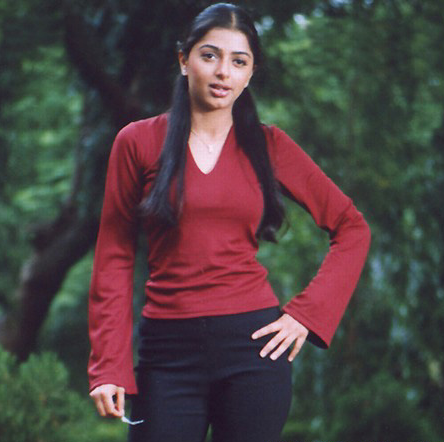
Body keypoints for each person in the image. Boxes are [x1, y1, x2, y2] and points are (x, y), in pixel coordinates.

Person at [88, 3, 371, 442]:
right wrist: (109, 365)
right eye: (210, 56)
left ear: (250, 73)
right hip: (166, 353)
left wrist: (306, 315)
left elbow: (352, 228)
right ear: (184, 60)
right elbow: (114, 257)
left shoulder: (270, 145)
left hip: (254, 349)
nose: (223, 72)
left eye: (239, 61)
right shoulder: (138, 142)